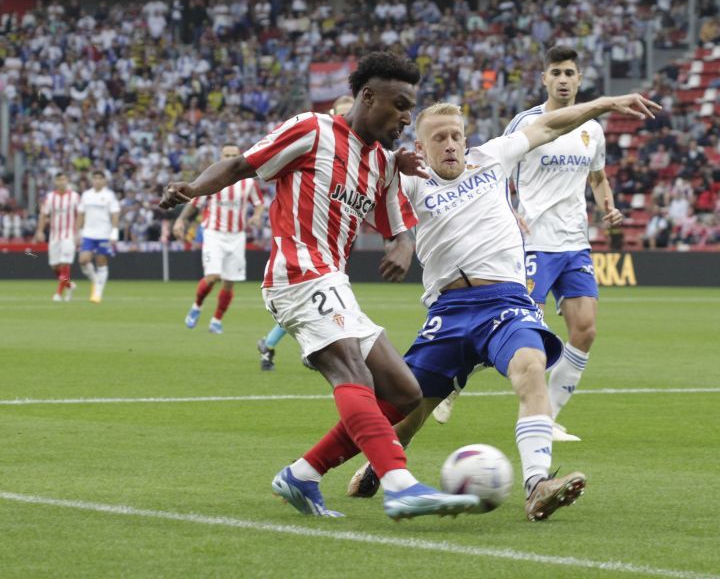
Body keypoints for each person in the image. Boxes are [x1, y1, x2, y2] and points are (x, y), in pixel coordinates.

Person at [159, 52, 480, 520]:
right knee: (355, 373)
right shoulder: (312, 129)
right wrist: (192, 187)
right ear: (367, 96)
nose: (407, 117)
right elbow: (241, 167)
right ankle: (400, 483)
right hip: (296, 274)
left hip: (332, 280)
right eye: (400, 104)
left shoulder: (383, 163)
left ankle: (303, 475)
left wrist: (403, 246)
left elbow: (398, 226)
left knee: (405, 392)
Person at [311, 93, 659, 521]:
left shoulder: (492, 158)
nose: (451, 144)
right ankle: (359, 465)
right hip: (449, 311)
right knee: (408, 407)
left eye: (456, 135)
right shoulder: (407, 180)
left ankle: (537, 484)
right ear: (420, 148)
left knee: (530, 364)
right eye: (439, 138)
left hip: (506, 302)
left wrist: (604, 103)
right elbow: (346, 183)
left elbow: (550, 126)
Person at [431, 46, 625, 442]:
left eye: (570, 72)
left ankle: (547, 416)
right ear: (544, 79)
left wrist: (609, 205)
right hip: (533, 241)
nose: (564, 79)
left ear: (580, 79)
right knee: (520, 330)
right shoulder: (527, 122)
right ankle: (453, 379)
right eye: (556, 72)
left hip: (575, 243)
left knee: (585, 330)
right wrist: (509, 212)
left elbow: (598, 177)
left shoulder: (593, 129)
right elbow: (496, 170)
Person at [258, 94, 355, 369]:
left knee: (315, 301)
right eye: (344, 114)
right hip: (303, 244)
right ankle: (313, 346)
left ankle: (272, 343)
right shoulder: (316, 143)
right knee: (317, 299)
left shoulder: (359, 158)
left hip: (336, 244)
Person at [174, 144, 265, 334]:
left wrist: (257, 215)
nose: (230, 158)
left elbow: (259, 204)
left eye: (234, 155)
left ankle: (216, 320)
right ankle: (197, 307)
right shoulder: (212, 180)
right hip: (214, 234)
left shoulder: (248, 183)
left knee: (230, 281)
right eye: (227, 155)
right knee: (213, 277)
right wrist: (180, 220)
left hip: (237, 236)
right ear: (220, 157)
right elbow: (194, 204)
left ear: (240, 156)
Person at [77, 170, 121, 303]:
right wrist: (78, 232)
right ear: (92, 180)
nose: (97, 181)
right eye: (95, 178)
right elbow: (80, 214)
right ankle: (96, 282)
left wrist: (114, 232)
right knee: (83, 260)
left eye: (100, 178)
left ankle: (98, 293)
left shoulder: (109, 195)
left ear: (104, 181)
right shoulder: (86, 195)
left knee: (101, 261)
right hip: (88, 234)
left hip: (103, 234)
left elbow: (115, 214)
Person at [35, 173, 80, 301]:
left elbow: (81, 215)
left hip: (69, 235)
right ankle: (69, 285)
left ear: (67, 180)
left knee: (65, 262)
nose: (62, 182)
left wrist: (78, 233)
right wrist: (40, 231)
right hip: (55, 235)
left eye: (64, 179)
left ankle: (58, 294)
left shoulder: (75, 197)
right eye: (59, 179)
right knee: (55, 266)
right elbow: (43, 215)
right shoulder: (50, 197)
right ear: (55, 182)